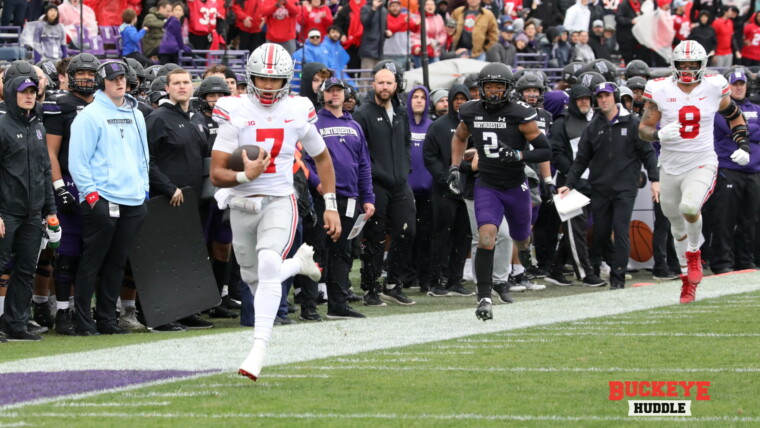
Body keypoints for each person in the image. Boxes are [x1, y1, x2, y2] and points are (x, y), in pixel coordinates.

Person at [210, 43, 341, 381]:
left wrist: (330, 205)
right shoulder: (233, 109)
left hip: (281, 198)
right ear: (250, 78)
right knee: (254, 278)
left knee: (268, 263)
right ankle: (298, 264)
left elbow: (323, 158)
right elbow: (217, 172)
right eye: (261, 79)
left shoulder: (298, 108)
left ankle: (258, 349)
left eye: (275, 80)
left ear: (287, 80)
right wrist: (245, 175)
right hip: (241, 201)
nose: (268, 87)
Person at [639, 40, 750, 304]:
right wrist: (658, 133)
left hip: (702, 161)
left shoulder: (713, 86)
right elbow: (643, 128)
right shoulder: (659, 89)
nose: (688, 69)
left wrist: (743, 144)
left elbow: (734, 114)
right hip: (669, 165)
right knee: (676, 224)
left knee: (690, 207)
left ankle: (693, 254)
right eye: (683, 64)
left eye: (692, 64)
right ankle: (687, 281)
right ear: (674, 65)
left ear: (703, 65)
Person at [448, 62, 551, 320]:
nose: (494, 92)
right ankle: (484, 296)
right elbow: (460, 137)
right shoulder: (470, 111)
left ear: (508, 89)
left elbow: (544, 150)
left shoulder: (520, 113)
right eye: (489, 86)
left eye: (499, 86)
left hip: (515, 185)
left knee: (521, 237)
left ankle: (525, 256)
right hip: (487, 183)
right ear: (481, 88)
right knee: (486, 236)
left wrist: (518, 154)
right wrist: (454, 166)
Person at [69, 60, 151, 335]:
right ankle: (83, 321)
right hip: (102, 198)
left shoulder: (137, 114)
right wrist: (91, 196)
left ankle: (107, 320)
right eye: (114, 78)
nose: (120, 82)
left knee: (117, 262)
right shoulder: (89, 115)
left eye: (123, 78)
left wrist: (144, 189)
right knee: (93, 261)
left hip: (133, 200)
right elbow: (77, 162)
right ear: (103, 81)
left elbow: (143, 157)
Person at [559, 82, 659, 289]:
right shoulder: (594, 126)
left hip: (625, 187)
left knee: (621, 230)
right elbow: (581, 159)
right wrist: (568, 183)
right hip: (600, 186)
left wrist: (655, 180)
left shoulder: (632, 122)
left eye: (607, 96)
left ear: (615, 97)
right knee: (601, 231)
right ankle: (595, 268)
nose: (603, 100)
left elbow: (648, 153)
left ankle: (618, 277)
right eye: (600, 97)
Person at [147, 67, 216, 329]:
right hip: (168, 199)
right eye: (176, 83)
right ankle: (162, 314)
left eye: (186, 82)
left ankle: (186, 310)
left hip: (194, 200)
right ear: (167, 88)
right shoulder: (157, 119)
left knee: (189, 256)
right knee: (165, 258)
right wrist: (168, 188)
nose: (182, 87)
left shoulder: (198, 118)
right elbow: (147, 160)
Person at [43, 53, 100, 336]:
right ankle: (63, 311)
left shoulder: (104, 105)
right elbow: (51, 151)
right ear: (69, 76)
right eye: (82, 73)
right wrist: (59, 187)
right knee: (66, 253)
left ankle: (83, 310)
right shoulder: (60, 104)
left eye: (91, 74)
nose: (87, 78)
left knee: (93, 254)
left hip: (99, 184)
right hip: (70, 182)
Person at [308, 78, 375, 319]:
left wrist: (368, 197)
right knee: (315, 250)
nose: (334, 95)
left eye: (338, 91)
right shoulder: (313, 123)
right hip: (321, 198)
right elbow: (306, 163)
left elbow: (364, 164)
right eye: (330, 91)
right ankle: (308, 305)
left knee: (342, 251)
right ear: (322, 95)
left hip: (349, 197)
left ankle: (338, 304)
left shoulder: (355, 126)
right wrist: (318, 186)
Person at [352, 63, 417, 306]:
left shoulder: (401, 111)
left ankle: (393, 283)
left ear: (396, 85)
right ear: (373, 85)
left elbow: (407, 142)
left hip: (400, 183)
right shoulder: (363, 113)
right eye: (381, 82)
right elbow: (359, 151)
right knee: (375, 237)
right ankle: (370, 288)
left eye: (389, 82)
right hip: (375, 184)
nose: (385, 86)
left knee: (407, 231)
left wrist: (404, 167)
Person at [0, 76, 57, 341]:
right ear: (12, 94)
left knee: (25, 269)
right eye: (24, 92)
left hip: (33, 213)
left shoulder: (38, 127)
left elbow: (45, 170)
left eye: (33, 91)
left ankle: (15, 324)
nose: (29, 96)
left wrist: (50, 209)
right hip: (6, 212)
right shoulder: (1, 126)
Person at [706, 70, 760, 272]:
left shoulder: (756, 107)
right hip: (728, 169)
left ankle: (745, 261)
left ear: (747, 85)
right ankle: (722, 263)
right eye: (735, 83)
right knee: (724, 219)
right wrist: (751, 128)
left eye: (742, 83)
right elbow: (731, 127)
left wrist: (745, 127)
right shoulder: (720, 108)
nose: (739, 87)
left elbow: (739, 128)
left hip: (754, 170)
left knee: (750, 219)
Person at [424, 84, 474, 297]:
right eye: (456, 98)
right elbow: (429, 156)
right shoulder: (438, 126)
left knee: (464, 237)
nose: (459, 102)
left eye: (464, 98)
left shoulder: (475, 125)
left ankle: (455, 280)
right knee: (441, 236)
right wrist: (445, 178)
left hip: (468, 189)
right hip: (444, 190)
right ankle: (436, 281)